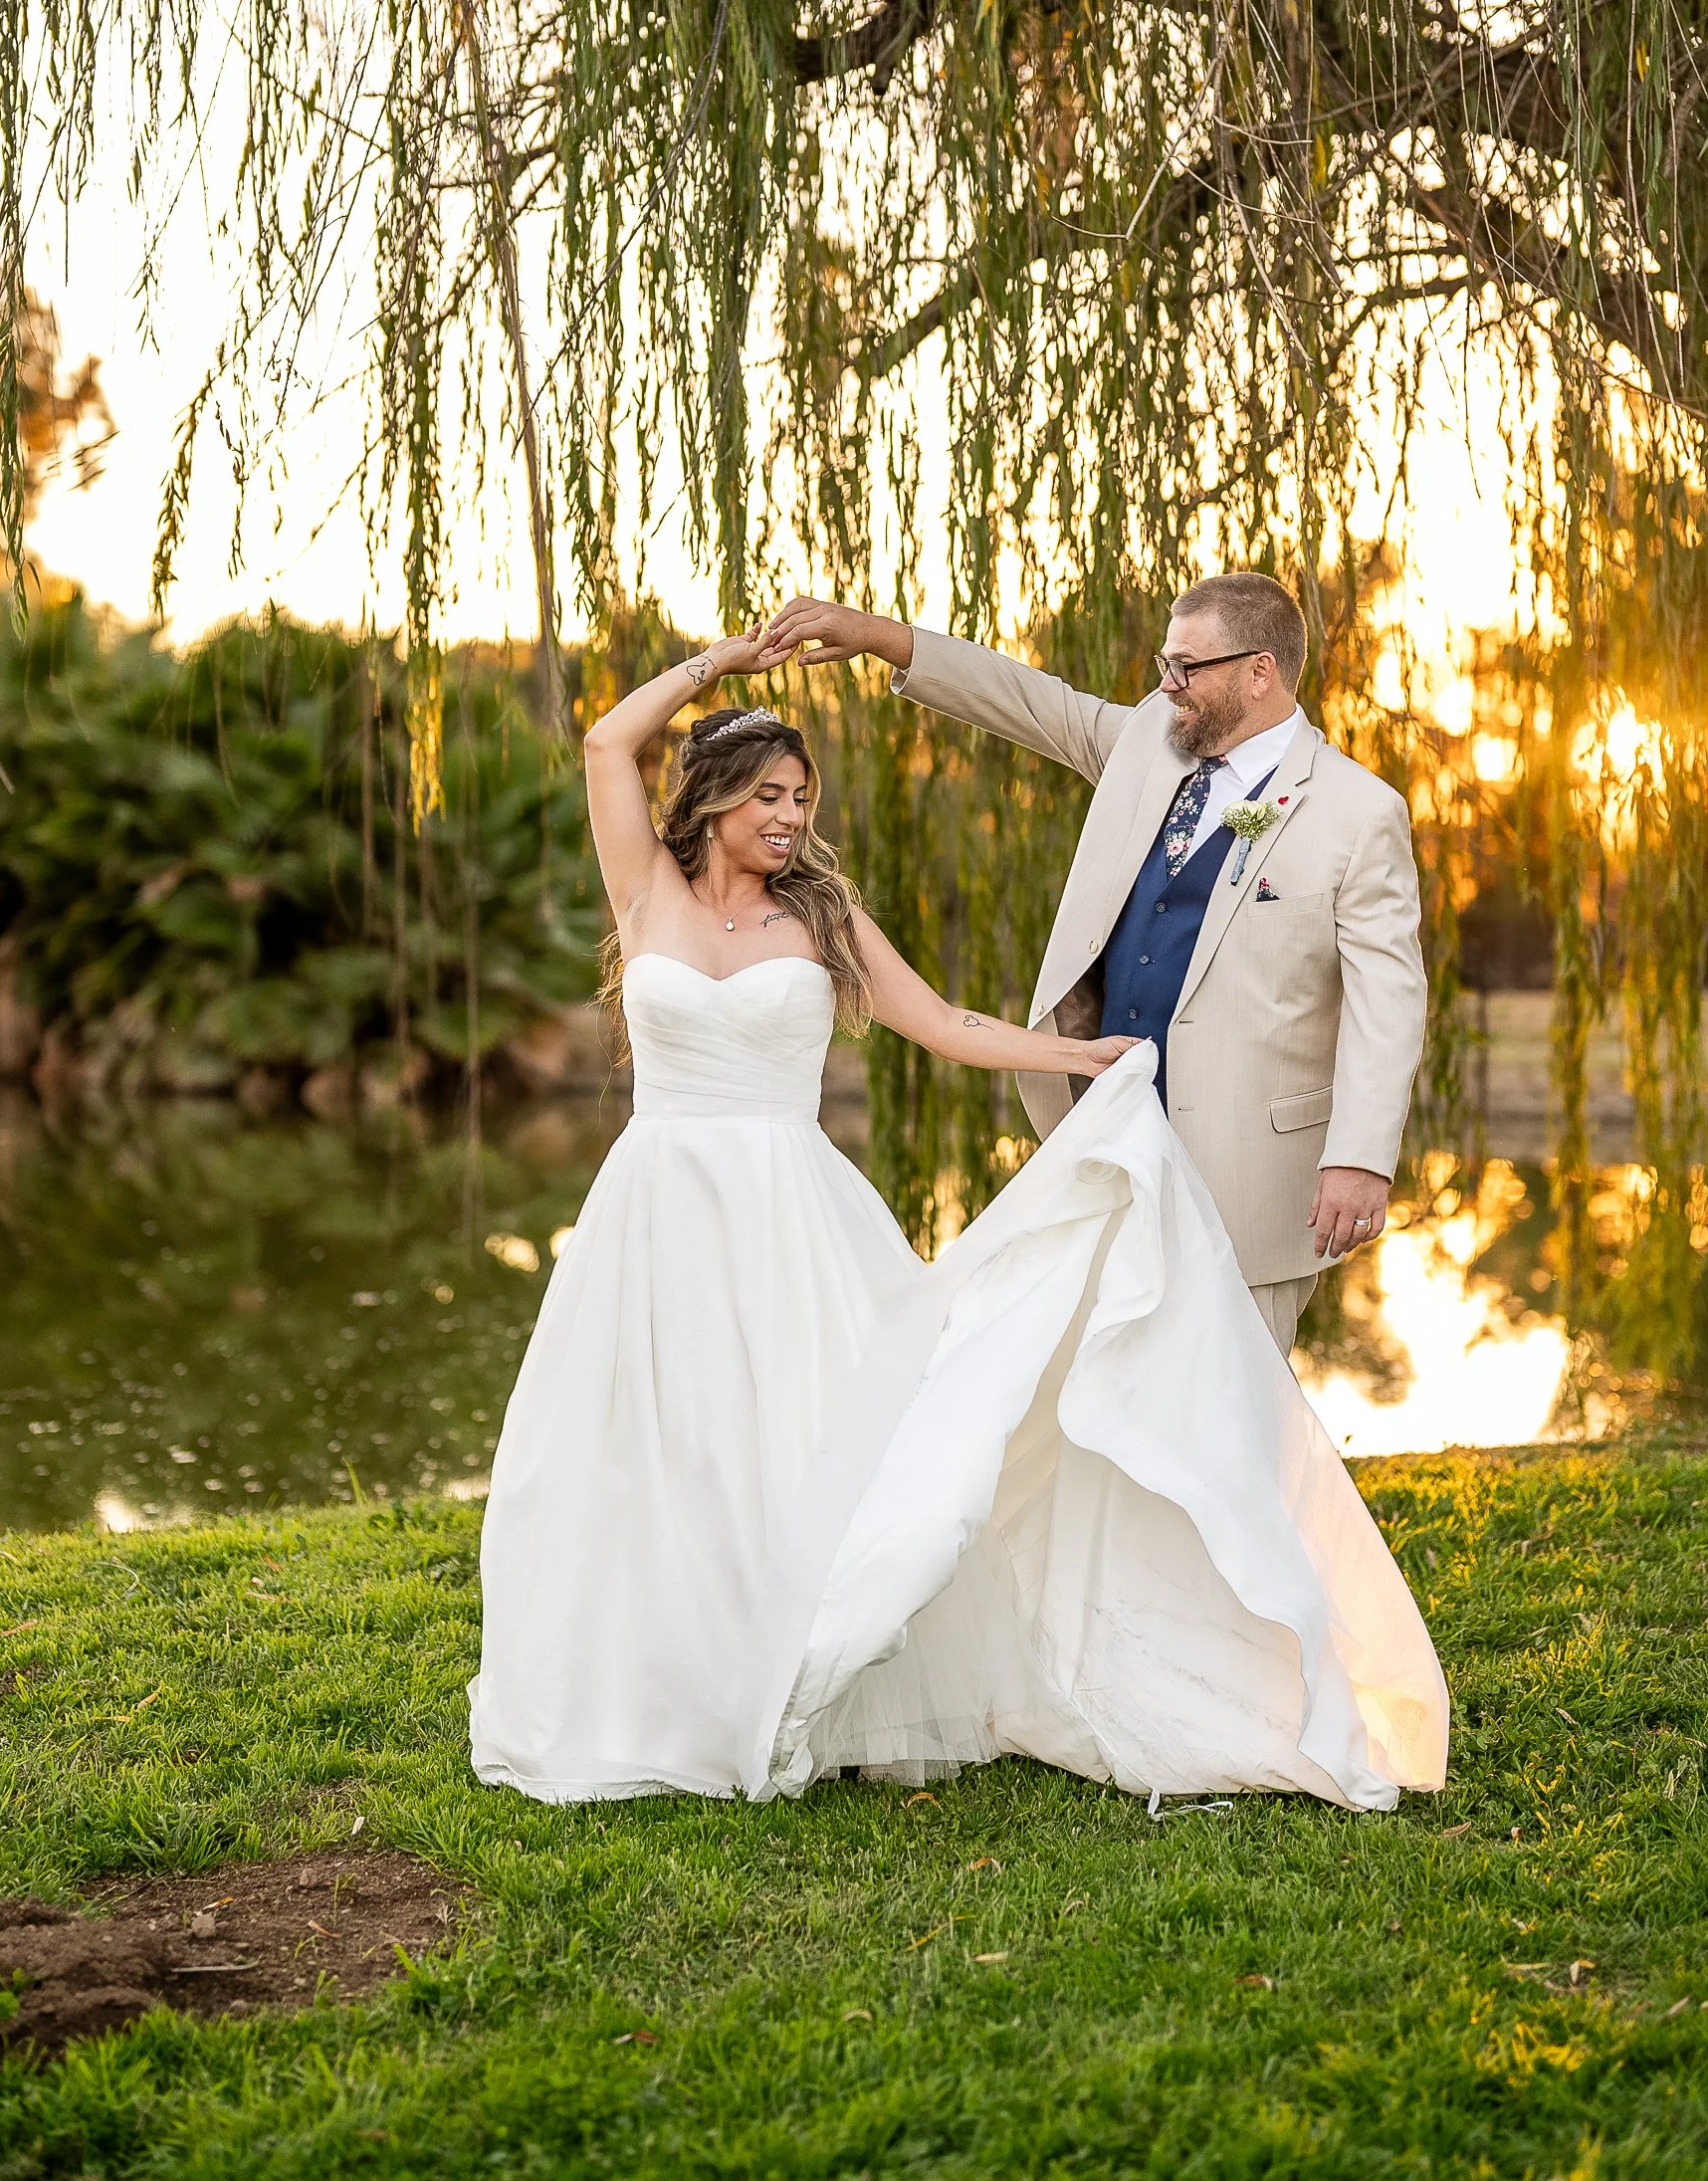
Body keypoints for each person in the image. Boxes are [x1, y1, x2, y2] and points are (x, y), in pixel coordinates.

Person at [468, 628, 1447, 1812]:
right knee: (656, 1449)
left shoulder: (818, 917)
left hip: (789, 1212)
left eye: (801, 797)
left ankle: (793, 1676)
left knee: (802, 1446)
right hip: (655, 1210)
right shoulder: (646, 891)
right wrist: (718, 667)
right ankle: (657, 1684)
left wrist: (1071, 1051)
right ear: (712, 800)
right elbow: (605, 739)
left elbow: (943, 1025)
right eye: (768, 794)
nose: (789, 816)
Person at [761, 577, 1425, 1356]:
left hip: (1248, 1167)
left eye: (1186, 667)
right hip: (1109, 1138)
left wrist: (1359, 1158)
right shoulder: (1153, 742)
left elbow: (1391, 1002)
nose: (1166, 684)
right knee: (1091, 1388)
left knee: (1236, 1411)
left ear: (1260, 672)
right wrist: (881, 637)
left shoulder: (1356, 811)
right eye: (1164, 663)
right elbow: (1032, 700)